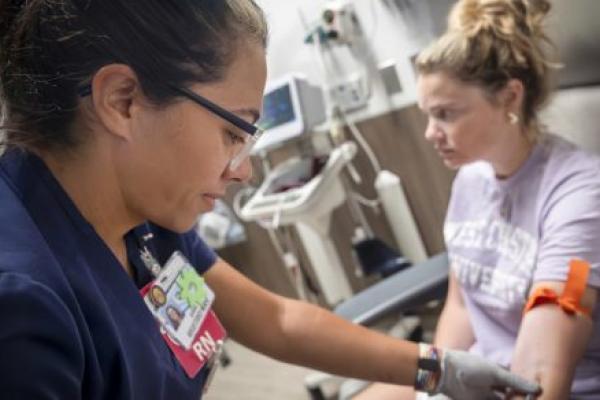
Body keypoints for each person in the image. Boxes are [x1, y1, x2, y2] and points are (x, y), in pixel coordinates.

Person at [0, 1, 541, 399]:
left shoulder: (142, 219)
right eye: (235, 131)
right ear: (123, 101)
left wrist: (435, 368)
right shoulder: (24, 309)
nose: (244, 170)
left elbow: (277, 319)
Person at [354, 0, 600, 399]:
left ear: (509, 98)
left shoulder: (580, 195)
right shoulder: (470, 179)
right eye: (427, 116)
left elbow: (539, 371)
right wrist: (432, 389)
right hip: (476, 376)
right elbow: (464, 306)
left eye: (446, 114)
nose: (430, 133)